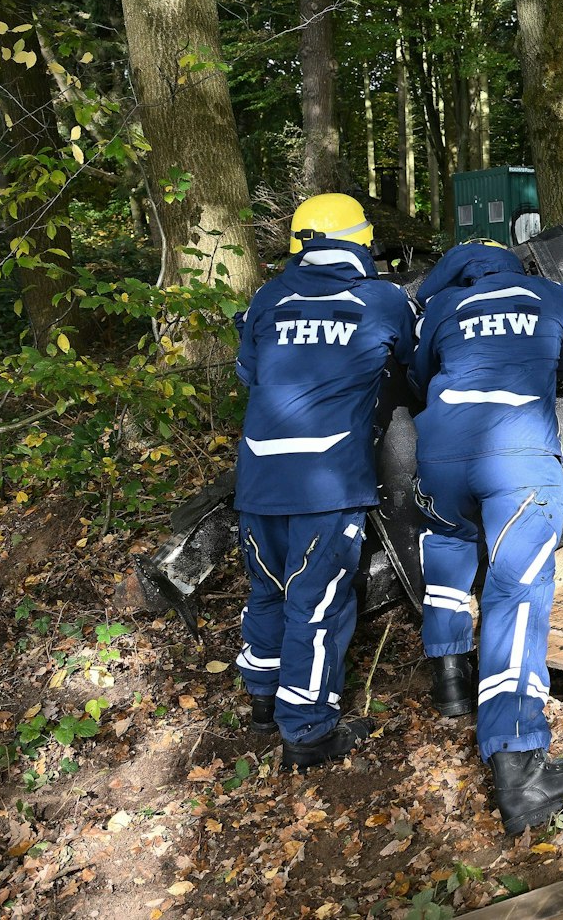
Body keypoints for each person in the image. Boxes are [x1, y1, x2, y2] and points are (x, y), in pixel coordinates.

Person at [410, 239, 563, 834]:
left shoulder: (445, 309)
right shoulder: (548, 295)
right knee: (515, 597)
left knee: (447, 544)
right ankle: (521, 770)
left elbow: (422, 372)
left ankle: (450, 679)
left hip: (441, 458)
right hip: (519, 464)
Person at [233, 193, 416, 770]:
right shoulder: (382, 300)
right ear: (361, 242)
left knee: (268, 591)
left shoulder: (268, 298)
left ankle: (262, 700)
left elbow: (250, 372)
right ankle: (307, 731)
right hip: (328, 483)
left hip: (259, 478)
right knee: (318, 607)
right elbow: (413, 366)